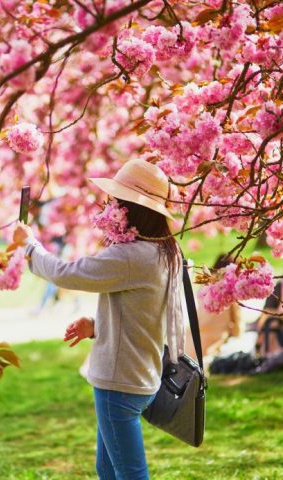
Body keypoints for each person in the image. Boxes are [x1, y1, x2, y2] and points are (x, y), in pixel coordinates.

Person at [14, 159, 186, 480]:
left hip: (119, 384)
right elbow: (144, 311)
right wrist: (96, 325)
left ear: (133, 209)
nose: (111, 207)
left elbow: (66, 273)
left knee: (129, 473)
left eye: (117, 201)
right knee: (107, 469)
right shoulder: (165, 250)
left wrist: (28, 245)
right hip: (142, 376)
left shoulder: (131, 256)